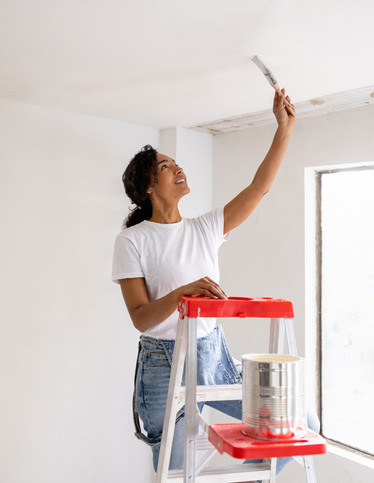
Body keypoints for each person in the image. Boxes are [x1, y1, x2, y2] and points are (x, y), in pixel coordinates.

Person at [112, 89, 319, 476]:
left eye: (176, 162)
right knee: (172, 474)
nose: (178, 169)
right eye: (165, 167)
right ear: (147, 188)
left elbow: (259, 187)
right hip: (162, 364)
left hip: (213, 355)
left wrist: (284, 130)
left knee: (301, 422)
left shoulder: (205, 228)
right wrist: (182, 294)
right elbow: (141, 318)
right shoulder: (132, 240)